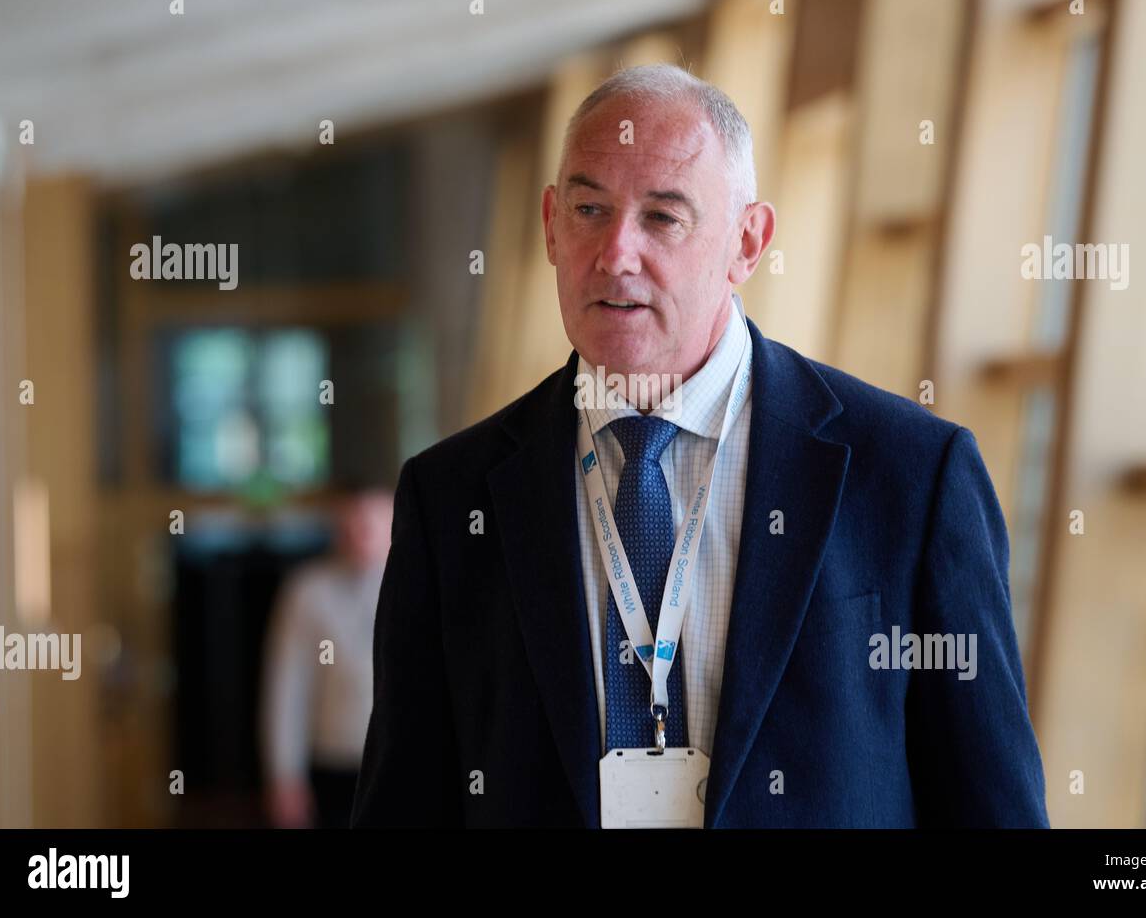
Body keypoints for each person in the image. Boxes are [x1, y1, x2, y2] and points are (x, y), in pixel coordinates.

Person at [351, 64, 1049, 827]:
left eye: (662, 217)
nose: (616, 253)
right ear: (551, 224)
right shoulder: (453, 496)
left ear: (747, 242)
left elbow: (993, 806)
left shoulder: (912, 475)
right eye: (590, 209)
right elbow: (405, 800)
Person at [260, 486, 393, 828]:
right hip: (335, 760)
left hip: (401, 759)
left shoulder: (418, 584)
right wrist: (283, 773)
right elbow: (288, 686)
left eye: (372, 521)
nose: (361, 532)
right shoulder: (309, 591)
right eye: (353, 521)